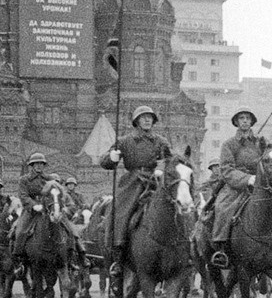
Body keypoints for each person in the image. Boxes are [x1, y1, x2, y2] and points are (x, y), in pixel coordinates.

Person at [100, 105, 172, 275]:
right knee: (120, 212)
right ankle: (117, 251)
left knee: (176, 206)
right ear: (136, 121)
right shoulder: (124, 141)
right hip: (133, 182)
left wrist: (162, 167)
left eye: (150, 117)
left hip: (156, 180)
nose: (147, 120)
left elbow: (171, 159)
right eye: (143, 117)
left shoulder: (161, 141)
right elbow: (104, 162)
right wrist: (112, 157)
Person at [209, 109, 267, 269]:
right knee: (223, 207)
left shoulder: (261, 142)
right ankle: (221, 248)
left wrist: (261, 176)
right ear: (236, 122)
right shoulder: (229, 144)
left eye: (248, 118)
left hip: (260, 185)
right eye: (241, 118)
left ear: (252, 122)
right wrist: (247, 179)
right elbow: (226, 169)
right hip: (237, 187)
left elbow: (270, 159)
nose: (245, 121)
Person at [13, 154, 85, 262]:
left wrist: (60, 206)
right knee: (20, 230)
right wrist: (34, 205)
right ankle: (18, 259)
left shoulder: (50, 179)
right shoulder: (24, 179)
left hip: (49, 208)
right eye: (36, 164)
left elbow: (58, 193)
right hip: (32, 210)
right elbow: (23, 196)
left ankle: (79, 254)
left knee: (70, 228)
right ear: (32, 165)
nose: (39, 166)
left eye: (41, 164)